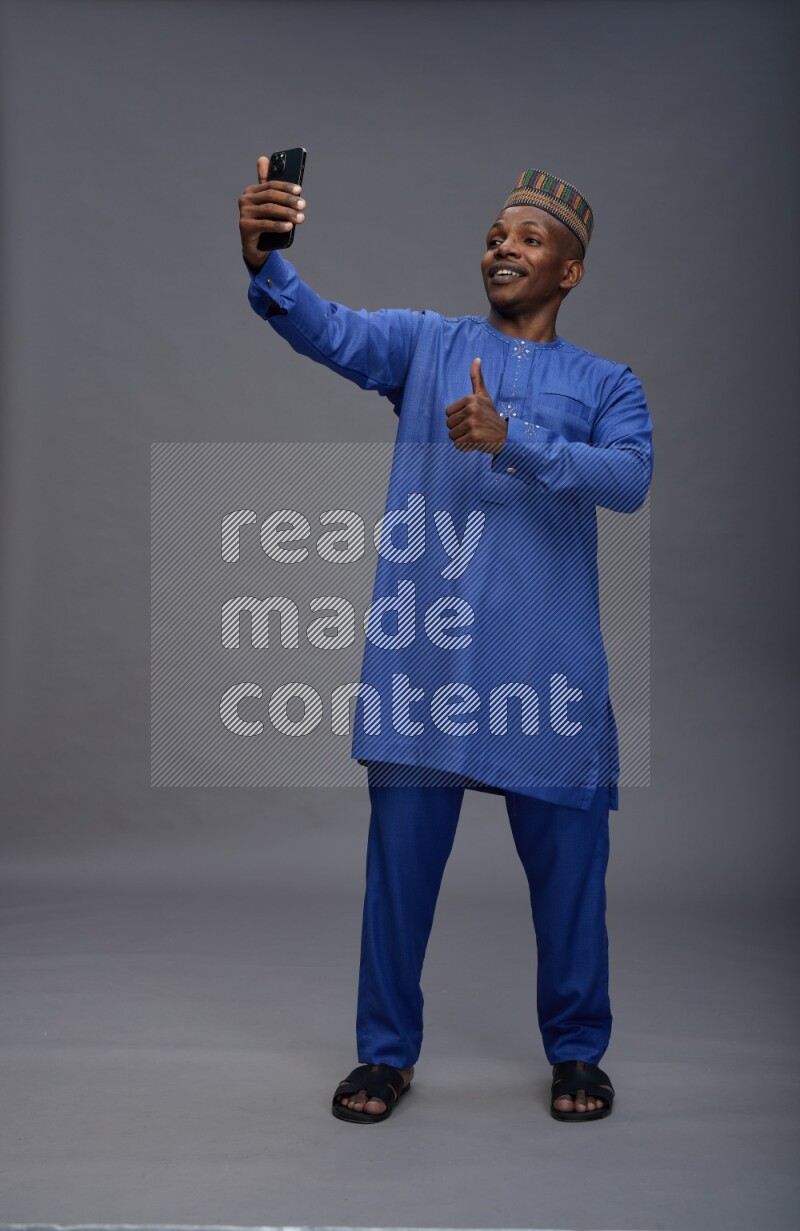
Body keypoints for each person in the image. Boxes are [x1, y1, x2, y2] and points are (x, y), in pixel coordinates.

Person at [238, 157, 653, 1123]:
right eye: (496, 234)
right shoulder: (427, 348)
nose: (504, 245)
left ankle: (578, 1054)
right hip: (424, 668)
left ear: (569, 273)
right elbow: (330, 330)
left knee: (571, 888)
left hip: (544, 675)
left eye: (529, 238)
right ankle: (385, 1055)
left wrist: (514, 436)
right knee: (397, 879)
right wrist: (266, 265)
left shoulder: (606, 382)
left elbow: (629, 479)